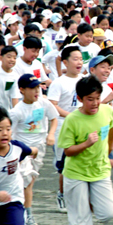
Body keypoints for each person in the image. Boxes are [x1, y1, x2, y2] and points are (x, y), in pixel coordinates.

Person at [57, 75, 113, 225]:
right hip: (76, 172)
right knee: (80, 221)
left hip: (100, 169)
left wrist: (109, 148)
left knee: (108, 213)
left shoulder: (107, 111)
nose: (95, 103)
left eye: (98, 98)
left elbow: (112, 126)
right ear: (80, 99)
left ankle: (89, 200)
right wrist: (86, 144)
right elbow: (68, 151)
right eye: (90, 99)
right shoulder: (72, 119)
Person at [10, 74, 58, 225]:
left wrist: (51, 134)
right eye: (32, 88)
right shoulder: (17, 111)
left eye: (38, 87)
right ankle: (28, 216)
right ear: (22, 90)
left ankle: (16, 210)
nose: (36, 91)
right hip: (23, 151)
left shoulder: (43, 103)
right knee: (27, 183)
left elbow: (54, 118)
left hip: (39, 149)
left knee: (27, 182)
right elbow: (9, 132)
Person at [47, 46, 86, 212]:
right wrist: (70, 116)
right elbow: (52, 105)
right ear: (65, 62)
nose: (79, 62)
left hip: (82, 125)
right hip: (63, 126)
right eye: (75, 59)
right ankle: (62, 194)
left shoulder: (85, 80)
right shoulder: (58, 82)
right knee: (64, 164)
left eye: (81, 59)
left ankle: (79, 196)